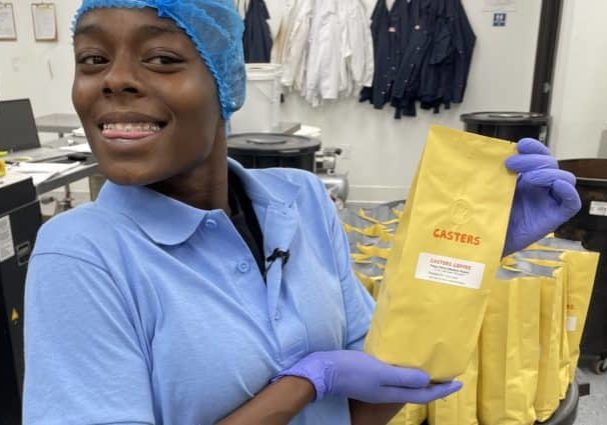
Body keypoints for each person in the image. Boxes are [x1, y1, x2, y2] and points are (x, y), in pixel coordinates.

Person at [22, 1, 581, 424]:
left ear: (224, 82)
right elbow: (329, 386)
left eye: (162, 58)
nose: (113, 79)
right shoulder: (82, 254)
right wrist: (307, 382)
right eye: (92, 59)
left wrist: (463, 252)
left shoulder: (300, 198)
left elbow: (374, 394)